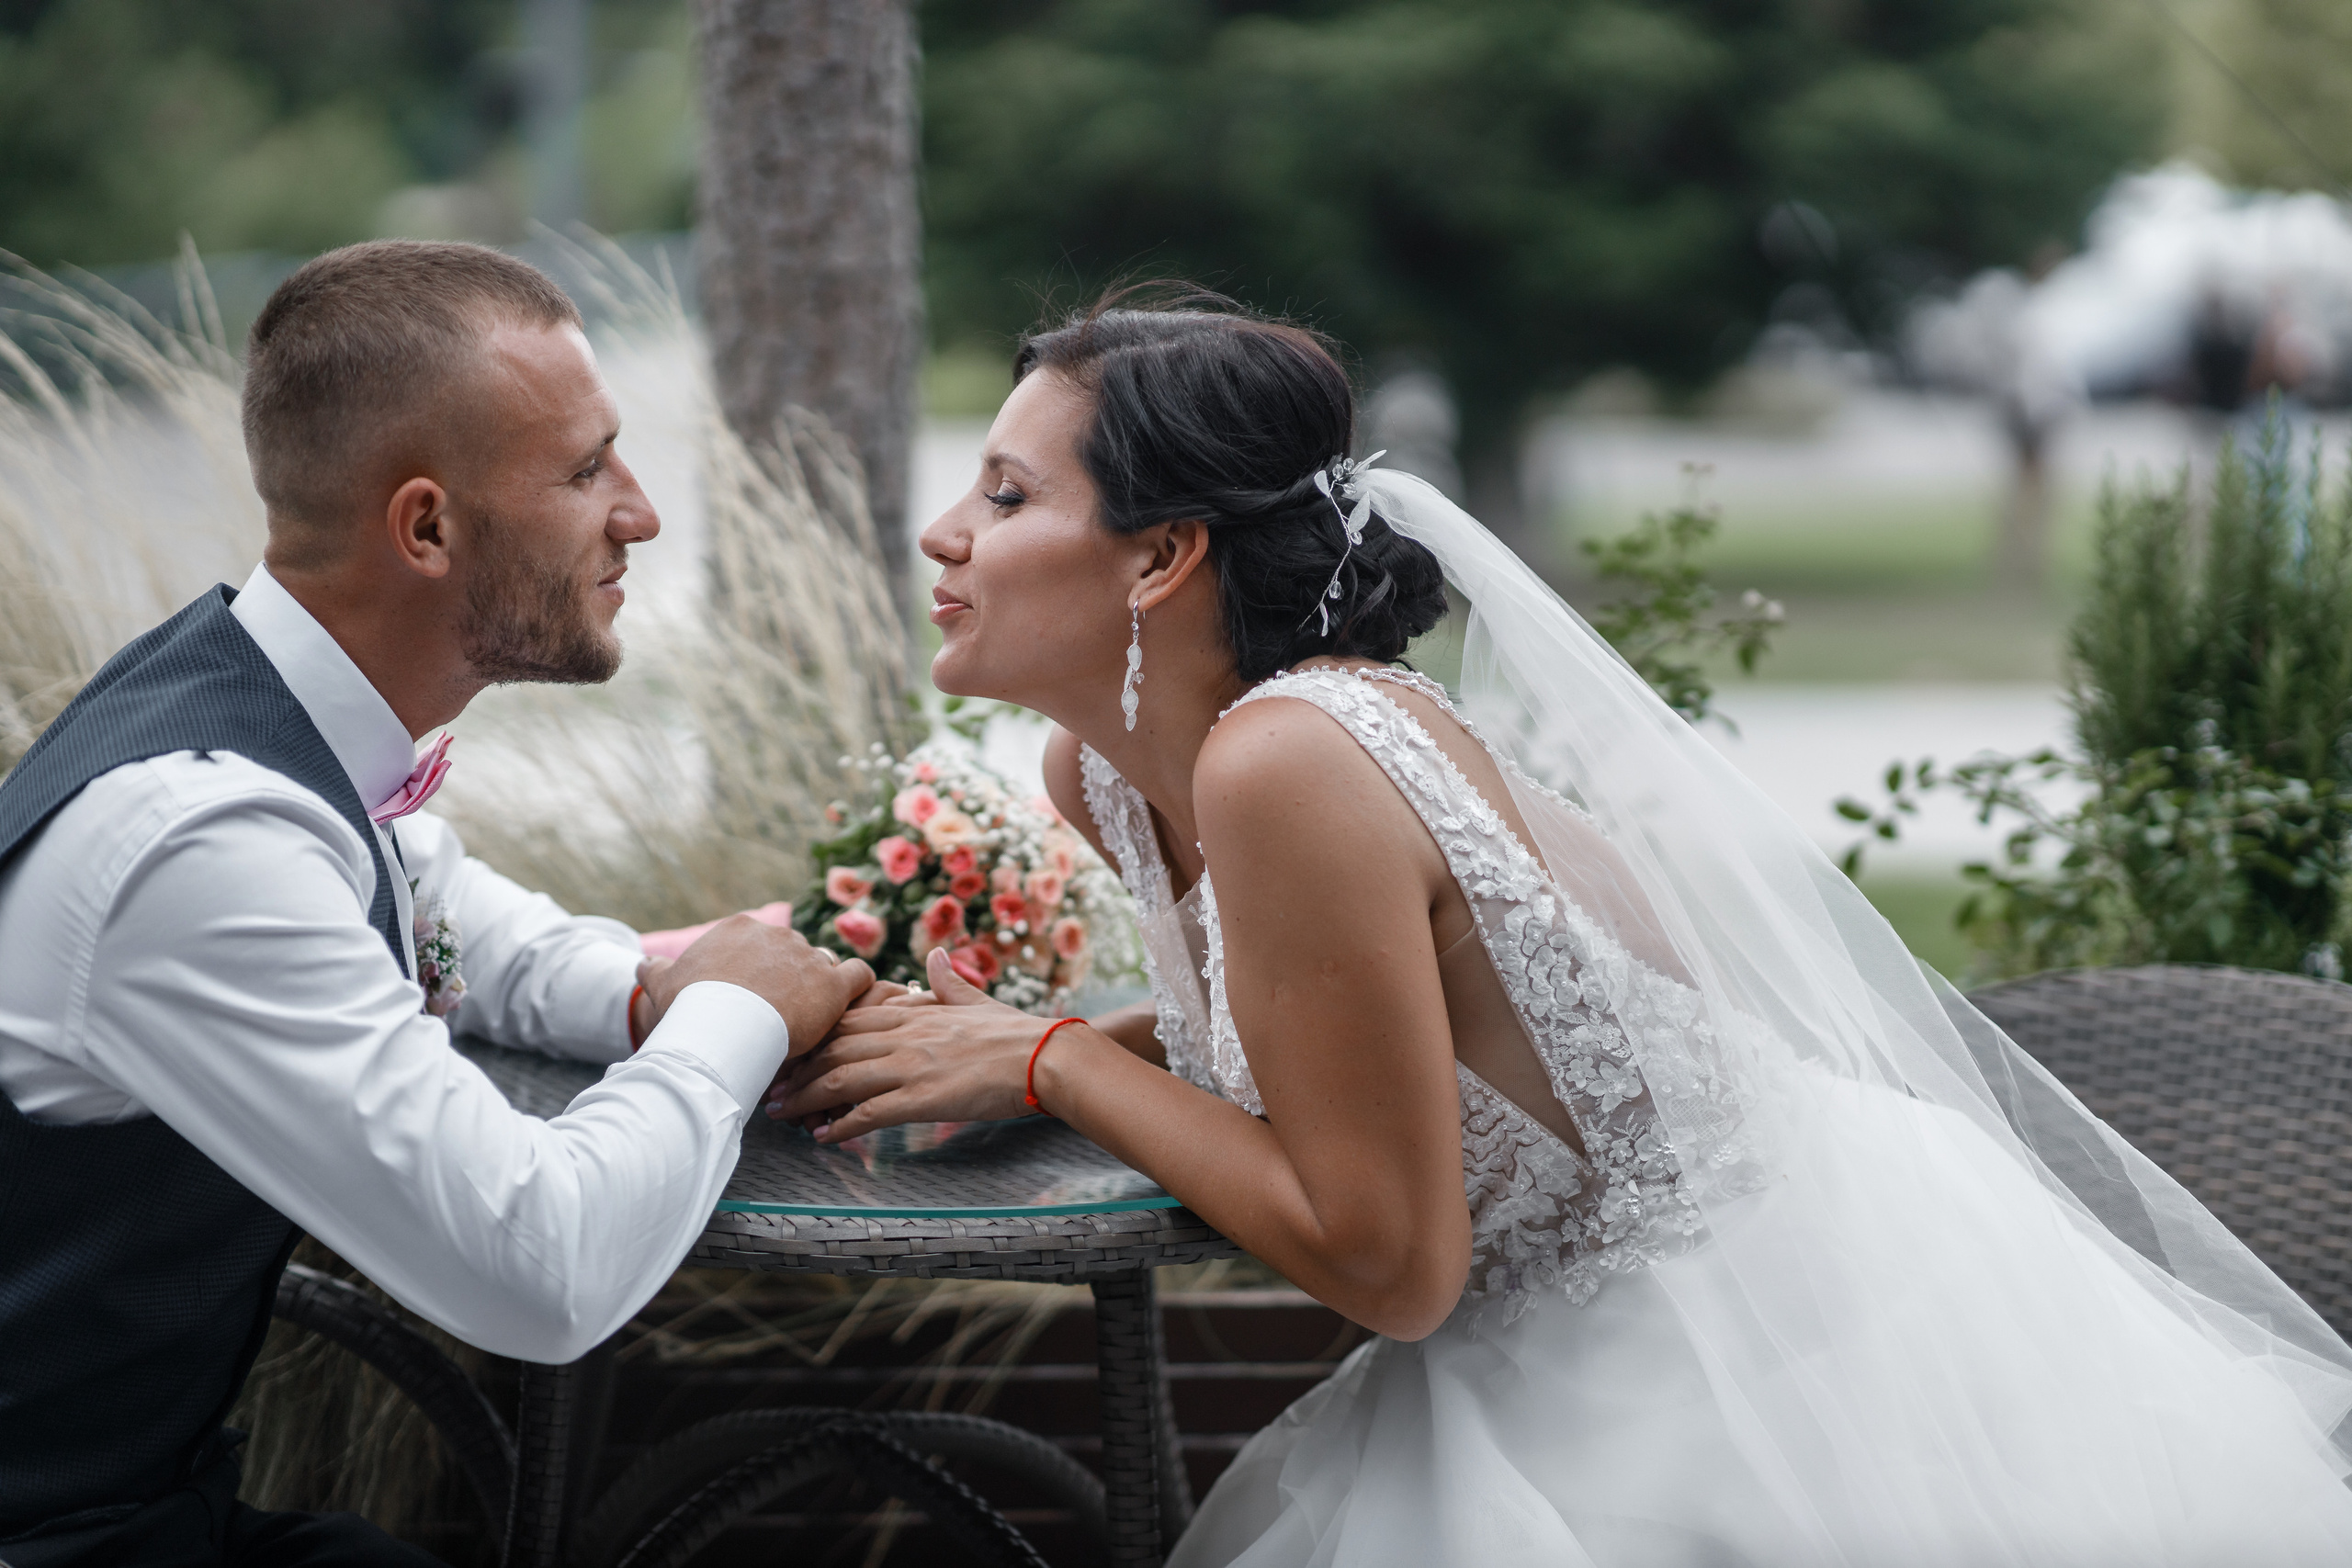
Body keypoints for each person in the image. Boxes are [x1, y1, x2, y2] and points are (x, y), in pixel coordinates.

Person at [774, 288, 2352, 1565]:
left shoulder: (1286, 760)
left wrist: (1050, 1057)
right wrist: (1049, 1047)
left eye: (1005, 492)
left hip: (1755, 1358)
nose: (945, 533)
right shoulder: (1110, 773)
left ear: (1164, 556)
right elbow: (1335, 1045)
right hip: (1531, 1354)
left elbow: (1392, 1266)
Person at [0, 241, 873, 1567]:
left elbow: (456, 915)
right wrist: (734, 1019)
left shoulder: (257, 711)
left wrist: (643, 992)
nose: (637, 512)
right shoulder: (201, 838)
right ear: (426, 528)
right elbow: (540, 1271)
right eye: (585, 471)